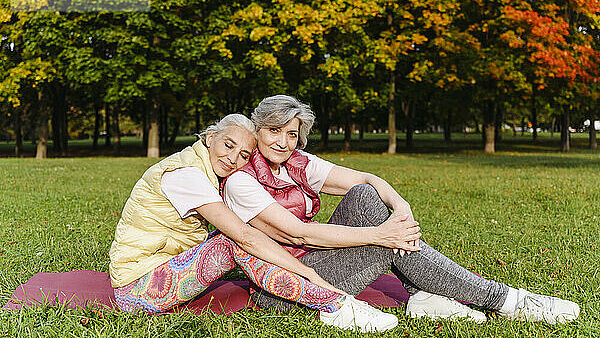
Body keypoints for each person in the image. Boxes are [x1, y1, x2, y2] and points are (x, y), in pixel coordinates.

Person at [222, 95, 580, 325]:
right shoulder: (242, 181)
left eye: (291, 134)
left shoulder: (294, 162)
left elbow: (365, 178)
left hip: (315, 259)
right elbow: (296, 233)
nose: (282, 142)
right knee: (384, 243)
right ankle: (505, 300)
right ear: (258, 130)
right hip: (286, 285)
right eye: (273, 132)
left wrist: (400, 205)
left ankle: (423, 294)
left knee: (364, 196)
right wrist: (380, 234)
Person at [109, 113, 402, 332]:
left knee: (233, 240)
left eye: (244, 155)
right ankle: (333, 305)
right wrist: (308, 274)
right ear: (210, 138)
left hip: (161, 268)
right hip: (136, 289)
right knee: (232, 242)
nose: (232, 158)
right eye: (227, 144)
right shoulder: (186, 174)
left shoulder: (202, 168)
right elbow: (244, 238)